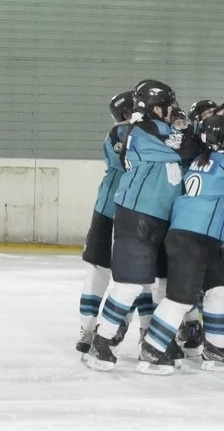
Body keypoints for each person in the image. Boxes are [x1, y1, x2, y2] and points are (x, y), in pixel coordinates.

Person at [136, 114, 224, 375]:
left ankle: (215, 348)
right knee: (180, 297)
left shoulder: (202, 160)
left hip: (201, 236)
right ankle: (152, 348)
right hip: (194, 237)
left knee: (221, 289)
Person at [86, 79, 202, 371]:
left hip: (161, 216)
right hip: (137, 215)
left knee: (159, 282)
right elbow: (187, 149)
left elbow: (192, 149)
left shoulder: (160, 128)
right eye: (166, 105)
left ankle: (153, 341)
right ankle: (101, 342)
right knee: (129, 285)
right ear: (150, 106)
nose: (171, 110)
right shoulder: (139, 130)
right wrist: (188, 130)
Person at [76, 91, 153, 358]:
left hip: (130, 211)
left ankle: (145, 330)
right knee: (99, 270)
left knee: (139, 275)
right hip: (113, 211)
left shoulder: (146, 133)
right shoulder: (120, 133)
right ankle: (88, 328)